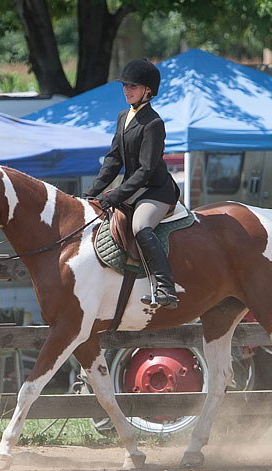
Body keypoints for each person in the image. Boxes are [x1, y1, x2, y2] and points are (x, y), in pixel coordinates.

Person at [83, 58, 180, 309]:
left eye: (133, 86)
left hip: (156, 190)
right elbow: (113, 160)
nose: (127, 90)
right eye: (125, 85)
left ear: (148, 90)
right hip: (134, 188)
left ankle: (165, 287)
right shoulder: (123, 116)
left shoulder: (154, 123)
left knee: (140, 226)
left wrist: (115, 195)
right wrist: (91, 193)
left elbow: (146, 170)